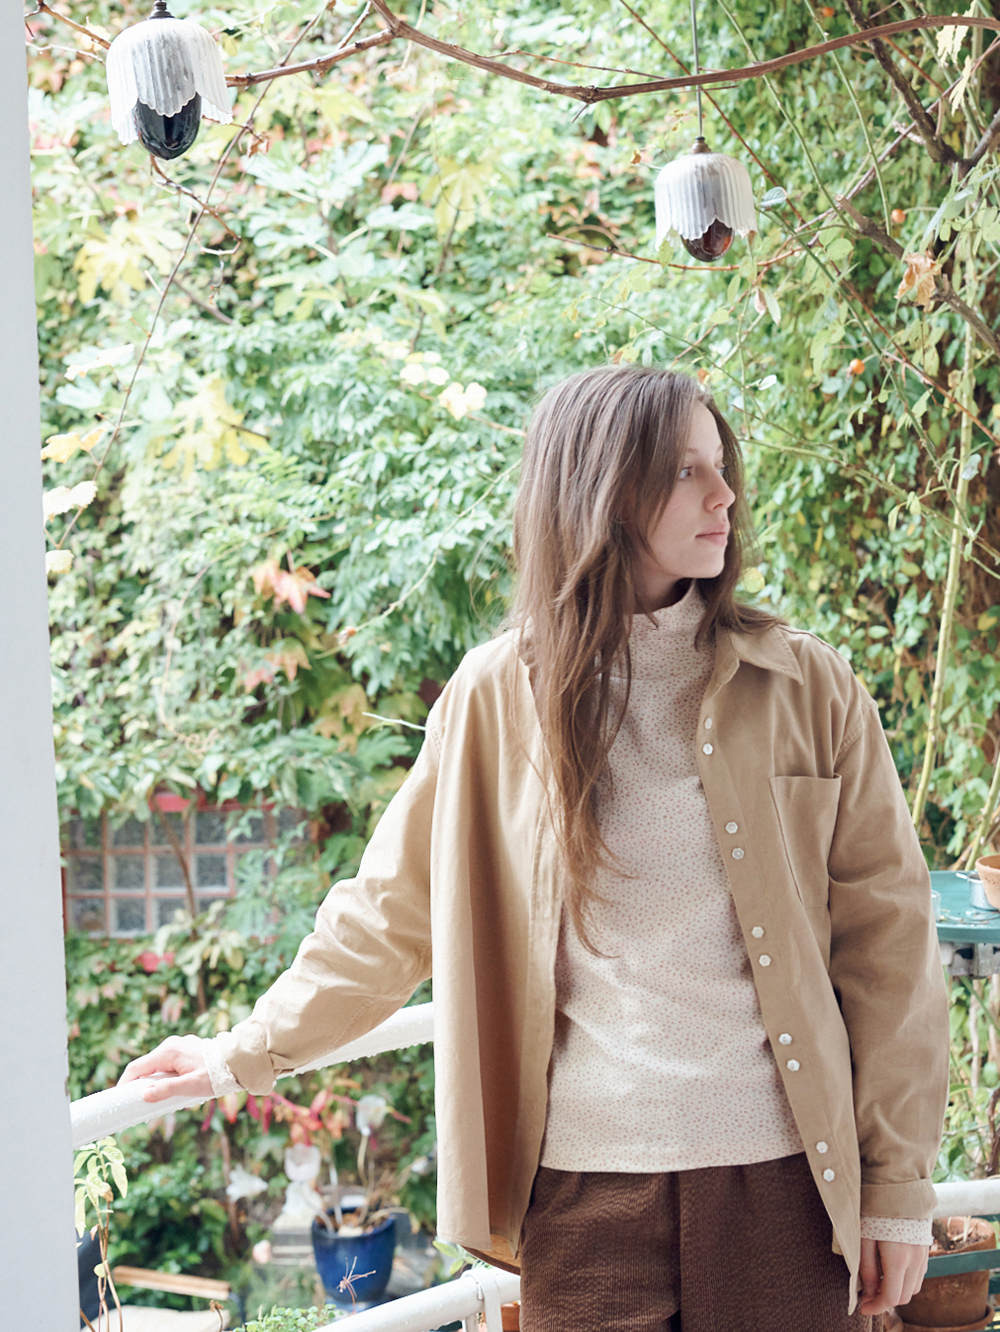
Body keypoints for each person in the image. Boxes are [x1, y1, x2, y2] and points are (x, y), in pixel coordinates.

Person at [121, 365, 948, 1332]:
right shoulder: (492, 700)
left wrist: (898, 1190)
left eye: (721, 467)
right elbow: (387, 915)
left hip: (787, 1183)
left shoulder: (809, 687)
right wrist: (241, 1053)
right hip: (584, 1196)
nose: (724, 494)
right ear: (604, 489)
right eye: (687, 471)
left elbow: (890, 950)